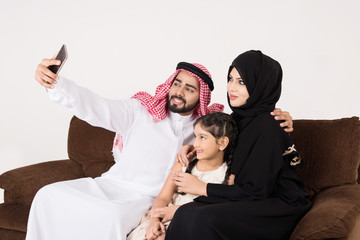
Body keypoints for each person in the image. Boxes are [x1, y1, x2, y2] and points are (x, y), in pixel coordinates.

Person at [27, 56, 293, 240]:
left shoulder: (206, 128)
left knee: (110, 217)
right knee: (47, 195)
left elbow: (250, 132)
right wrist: (57, 84)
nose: (179, 92)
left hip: (145, 198)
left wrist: (282, 117)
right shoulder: (139, 110)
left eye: (189, 89)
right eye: (177, 84)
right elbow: (96, 107)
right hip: (111, 183)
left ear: (200, 97)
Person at [165, 50, 312, 240]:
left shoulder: (268, 125)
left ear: (261, 86)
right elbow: (220, 146)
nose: (232, 88)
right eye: (230, 79)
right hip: (244, 197)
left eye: (242, 82)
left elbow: (256, 191)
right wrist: (194, 149)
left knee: (202, 218)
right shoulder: (236, 120)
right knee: (187, 213)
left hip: (276, 205)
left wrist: (202, 188)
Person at [127, 112, 238, 240]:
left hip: (189, 225)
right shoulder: (183, 166)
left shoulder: (227, 178)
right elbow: (162, 198)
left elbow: (215, 212)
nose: (195, 144)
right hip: (162, 219)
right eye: (195, 136)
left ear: (222, 142)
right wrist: (154, 222)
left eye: (202, 137)